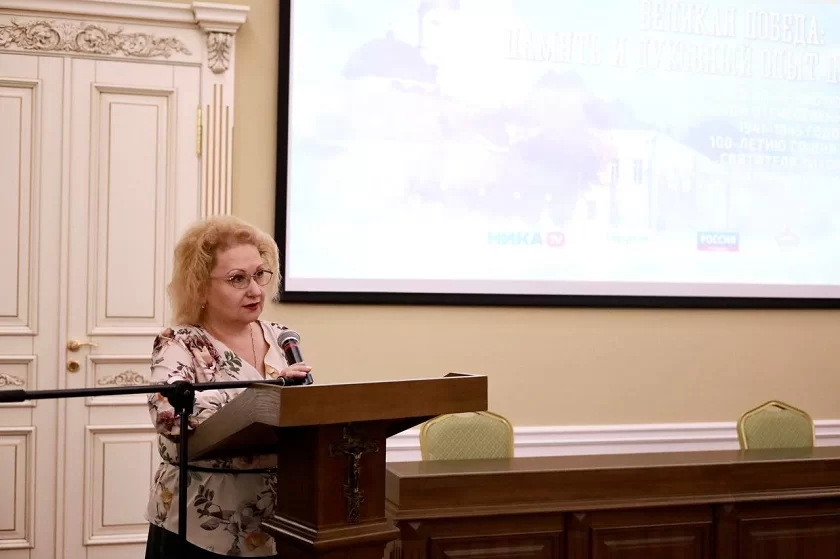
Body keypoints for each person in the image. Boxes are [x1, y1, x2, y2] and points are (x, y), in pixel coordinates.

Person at [144, 216, 312, 558]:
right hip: (199, 524)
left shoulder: (281, 336)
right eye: (237, 278)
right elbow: (169, 417)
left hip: (279, 522)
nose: (255, 290)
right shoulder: (179, 342)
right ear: (200, 287)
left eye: (259, 274)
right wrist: (267, 398)